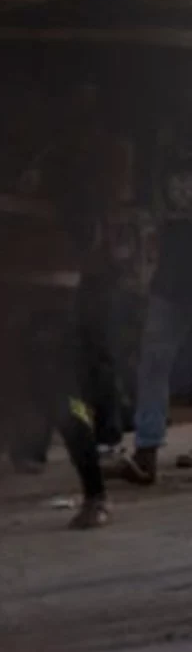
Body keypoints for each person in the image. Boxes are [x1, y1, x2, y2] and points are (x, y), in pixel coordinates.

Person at [0, 146, 110, 538]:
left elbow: (88, 236)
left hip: (51, 309)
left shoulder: (67, 168)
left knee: (64, 402)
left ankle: (95, 496)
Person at [127, 112, 192, 483]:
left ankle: (147, 448)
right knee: (153, 362)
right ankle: (147, 448)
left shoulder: (165, 162)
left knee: (154, 362)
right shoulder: (163, 163)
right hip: (170, 277)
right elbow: (153, 220)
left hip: (171, 276)